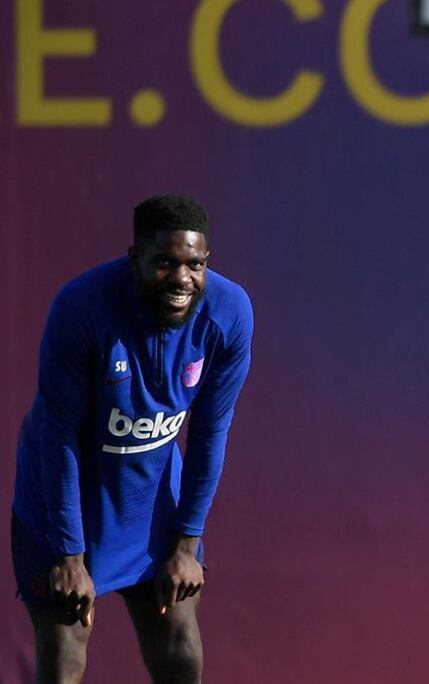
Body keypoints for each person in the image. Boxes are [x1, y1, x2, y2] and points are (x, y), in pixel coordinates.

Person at [11, 194, 254, 683]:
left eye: (195, 264)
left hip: (151, 502)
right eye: (164, 262)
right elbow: (58, 438)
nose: (182, 279)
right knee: (64, 655)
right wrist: (69, 555)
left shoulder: (229, 313)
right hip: (65, 498)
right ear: (134, 259)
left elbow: (210, 433)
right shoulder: (81, 309)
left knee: (180, 651)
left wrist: (188, 543)